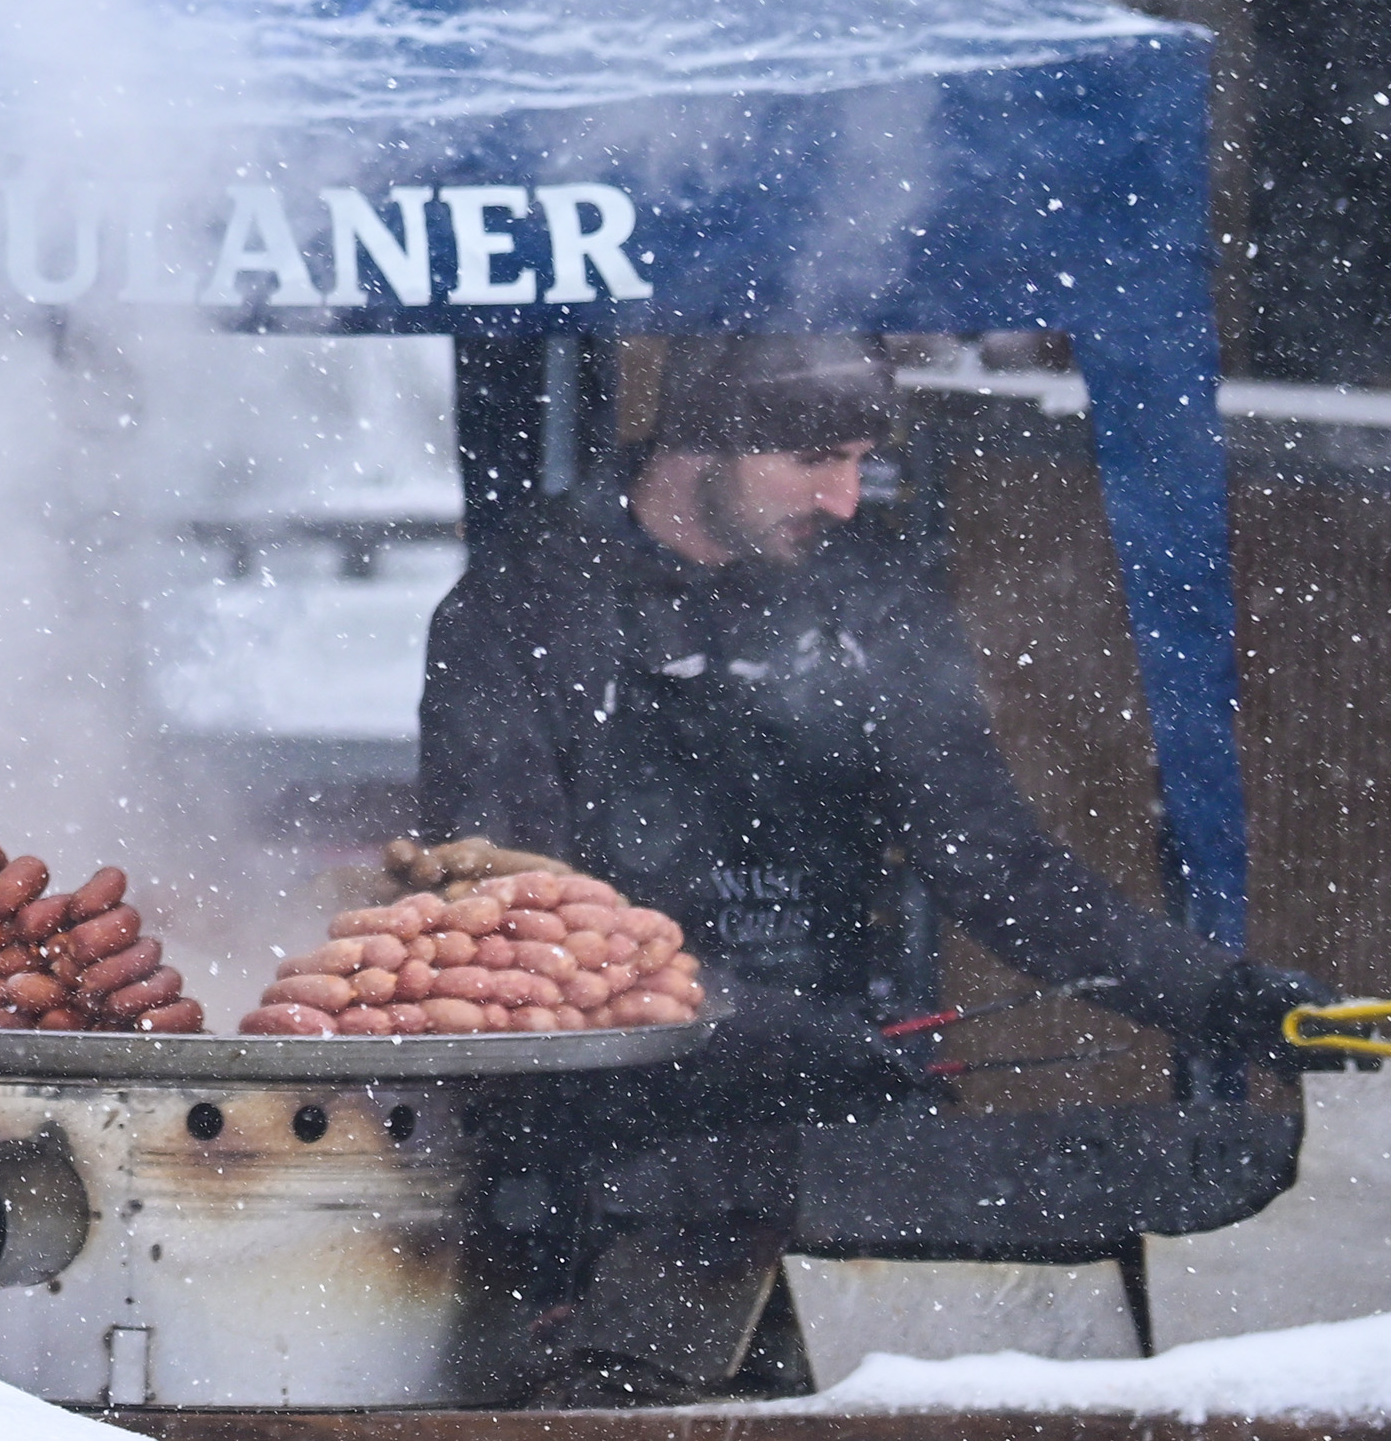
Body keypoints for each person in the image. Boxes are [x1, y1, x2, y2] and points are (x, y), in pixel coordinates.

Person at [417, 334, 1337, 1403]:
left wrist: (1217, 996)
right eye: (814, 460)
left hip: (832, 1136)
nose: (846, 498)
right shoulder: (527, 605)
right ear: (701, 439)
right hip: (591, 1160)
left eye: (859, 459)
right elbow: (513, 910)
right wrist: (738, 1022)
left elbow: (998, 864)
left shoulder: (867, 604)